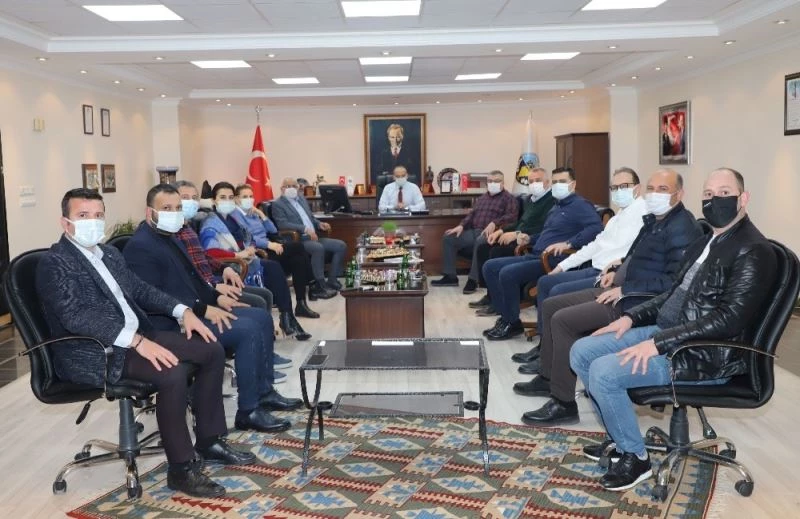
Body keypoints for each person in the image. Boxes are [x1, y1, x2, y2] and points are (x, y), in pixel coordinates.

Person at [36, 188, 255, 498]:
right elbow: (76, 317)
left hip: (135, 336)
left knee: (211, 350)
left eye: (98, 215)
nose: (92, 222)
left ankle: (209, 441)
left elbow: (141, 290)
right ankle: (181, 469)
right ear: (65, 222)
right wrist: (137, 342)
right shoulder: (55, 263)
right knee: (171, 372)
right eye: (83, 215)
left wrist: (183, 311)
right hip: (95, 351)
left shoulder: (108, 254)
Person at [569, 168, 776, 492]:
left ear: (743, 198)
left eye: (724, 193)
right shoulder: (707, 241)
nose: (714, 201)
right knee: (582, 351)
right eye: (708, 194)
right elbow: (672, 293)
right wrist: (631, 318)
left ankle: (636, 458)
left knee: (604, 373)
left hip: (703, 354)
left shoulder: (753, 250)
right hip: (668, 333)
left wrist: (658, 343)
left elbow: (729, 320)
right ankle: (621, 439)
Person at [517, 169, 702, 427]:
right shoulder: (654, 221)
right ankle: (548, 378)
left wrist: (625, 290)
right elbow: (635, 257)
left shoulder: (682, 227)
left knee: (563, 320)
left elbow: (674, 282)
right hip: (621, 288)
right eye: (652, 189)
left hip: (638, 302)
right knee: (550, 304)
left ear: (679, 194)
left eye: (663, 189)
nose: (654, 195)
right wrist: (617, 269)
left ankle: (563, 402)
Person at [124, 184, 303, 436]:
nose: (174, 213)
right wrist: (202, 308)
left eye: (177, 208)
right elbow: (153, 296)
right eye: (166, 208)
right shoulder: (141, 246)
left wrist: (217, 297)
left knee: (261, 317)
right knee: (247, 330)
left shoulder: (170, 236)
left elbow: (194, 278)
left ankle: (264, 394)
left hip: (195, 310)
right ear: (149, 212)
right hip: (172, 325)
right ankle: (248, 411)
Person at [511, 167, 646, 366]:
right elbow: (596, 245)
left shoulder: (644, 214)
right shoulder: (618, 216)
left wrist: (620, 263)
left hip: (609, 276)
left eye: (623, 186)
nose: (618, 191)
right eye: (614, 187)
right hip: (594, 268)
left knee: (556, 292)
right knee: (546, 281)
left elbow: (640, 251)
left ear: (637, 188)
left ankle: (550, 355)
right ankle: (544, 346)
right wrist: (563, 265)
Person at [480, 167, 603, 339]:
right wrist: (529, 239)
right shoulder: (556, 206)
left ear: (573, 184)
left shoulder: (581, 205)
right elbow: (547, 234)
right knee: (490, 267)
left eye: (562, 181)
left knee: (507, 273)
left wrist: (569, 243)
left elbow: (596, 228)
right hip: (535, 254)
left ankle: (510, 321)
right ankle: (507, 318)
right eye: (555, 182)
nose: (558, 185)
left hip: (553, 260)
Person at [200, 182, 314, 339]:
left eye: (230, 197)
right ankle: (288, 318)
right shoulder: (210, 222)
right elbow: (211, 252)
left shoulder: (232, 220)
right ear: (214, 200)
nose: (227, 201)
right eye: (222, 197)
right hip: (230, 266)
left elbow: (250, 239)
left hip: (247, 260)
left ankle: (287, 317)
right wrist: (238, 255)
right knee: (277, 265)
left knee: (277, 266)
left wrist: (250, 248)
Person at [230, 183, 336, 302]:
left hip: (270, 245)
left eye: (251, 196)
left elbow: (273, 230)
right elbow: (248, 238)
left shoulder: (252, 213)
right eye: (245, 197)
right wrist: (269, 244)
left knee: (298, 259)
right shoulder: (235, 215)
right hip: (257, 251)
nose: (249, 199)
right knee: (298, 247)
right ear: (237, 199)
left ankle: (301, 302)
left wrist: (261, 214)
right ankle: (314, 286)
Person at [467, 167, 554, 297]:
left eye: (538, 180)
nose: (534, 184)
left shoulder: (552, 200)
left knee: (496, 252)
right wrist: (501, 231)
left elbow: (543, 227)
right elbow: (519, 222)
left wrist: (516, 233)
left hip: (530, 241)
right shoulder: (530, 200)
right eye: (531, 181)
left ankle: (498, 296)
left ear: (547, 182)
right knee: (483, 248)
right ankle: (491, 294)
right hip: (518, 235)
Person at [431, 170, 519, 288]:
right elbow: (471, 214)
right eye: (490, 181)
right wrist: (461, 225)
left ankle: (473, 279)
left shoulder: (509, 198)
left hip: (493, 234)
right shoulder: (482, 198)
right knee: (449, 237)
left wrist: (495, 223)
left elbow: (512, 217)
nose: (493, 183)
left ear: (503, 183)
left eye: (497, 181)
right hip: (474, 231)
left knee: (480, 240)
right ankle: (450, 276)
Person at [271, 178, 347, 290]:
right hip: (298, 240)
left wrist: (319, 224)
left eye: (294, 186)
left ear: (298, 188)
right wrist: (305, 229)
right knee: (318, 248)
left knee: (341, 245)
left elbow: (311, 217)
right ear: (282, 189)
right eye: (288, 186)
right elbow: (282, 224)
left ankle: (332, 279)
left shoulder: (302, 199)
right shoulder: (278, 204)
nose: (291, 188)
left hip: (313, 237)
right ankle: (320, 284)